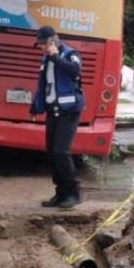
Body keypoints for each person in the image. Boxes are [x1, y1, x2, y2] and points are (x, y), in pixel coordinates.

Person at [31, 26, 84, 209]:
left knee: (62, 152)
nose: (41, 49)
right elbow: (44, 85)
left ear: (52, 41)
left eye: (43, 45)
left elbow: (75, 71)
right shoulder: (46, 59)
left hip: (69, 112)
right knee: (52, 153)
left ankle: (73, 193)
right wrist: (36, 105)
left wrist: (55, 56)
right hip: (53, 111)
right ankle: (61, 194)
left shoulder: (70, 54)